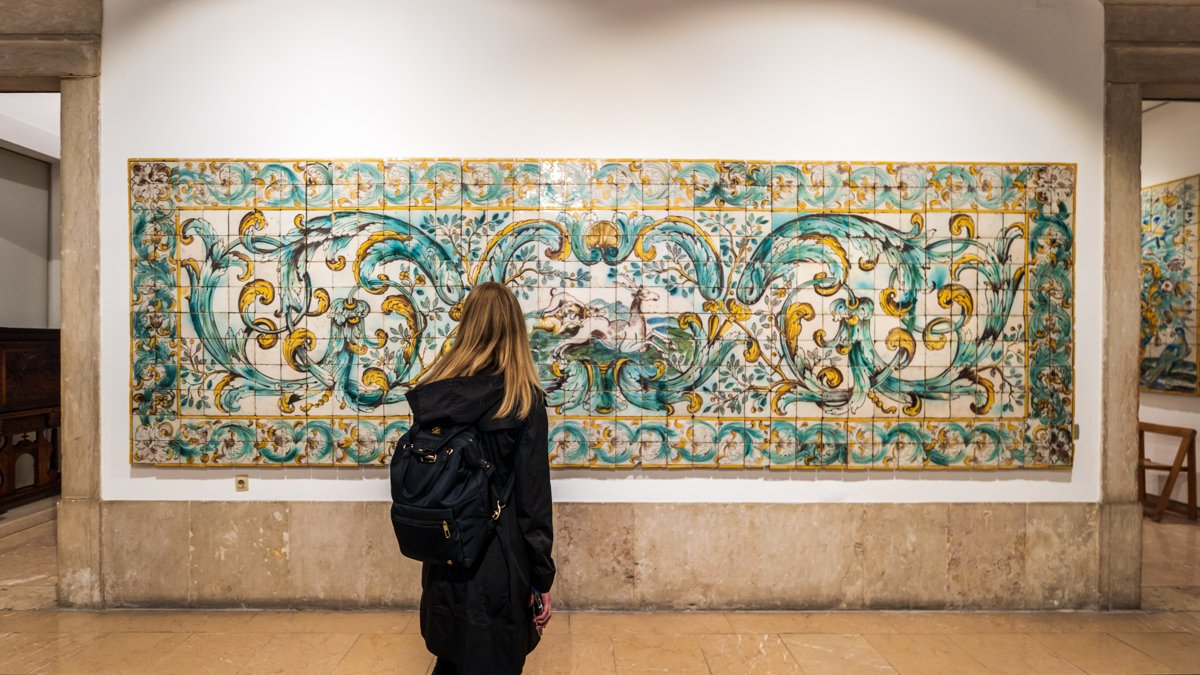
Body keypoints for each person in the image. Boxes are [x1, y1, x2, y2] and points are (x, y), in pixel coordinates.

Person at [403, 281, 555, 675]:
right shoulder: (522, 400)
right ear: (515, 330)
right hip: (500, 561)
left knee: (451, 660)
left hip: (446, 554)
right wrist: (542, 578)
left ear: (468, 327)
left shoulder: (436, 397)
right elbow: (533, 499)